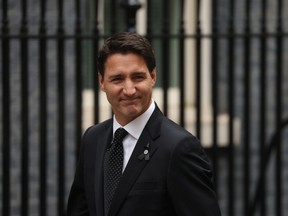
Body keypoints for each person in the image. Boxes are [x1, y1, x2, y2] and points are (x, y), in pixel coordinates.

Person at [67, 32, 222, 216]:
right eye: (117, 79)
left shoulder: (179, 148)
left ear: (153, 76)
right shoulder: (93, 139)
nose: (129, 90)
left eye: (138, 77)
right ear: (102, 82)